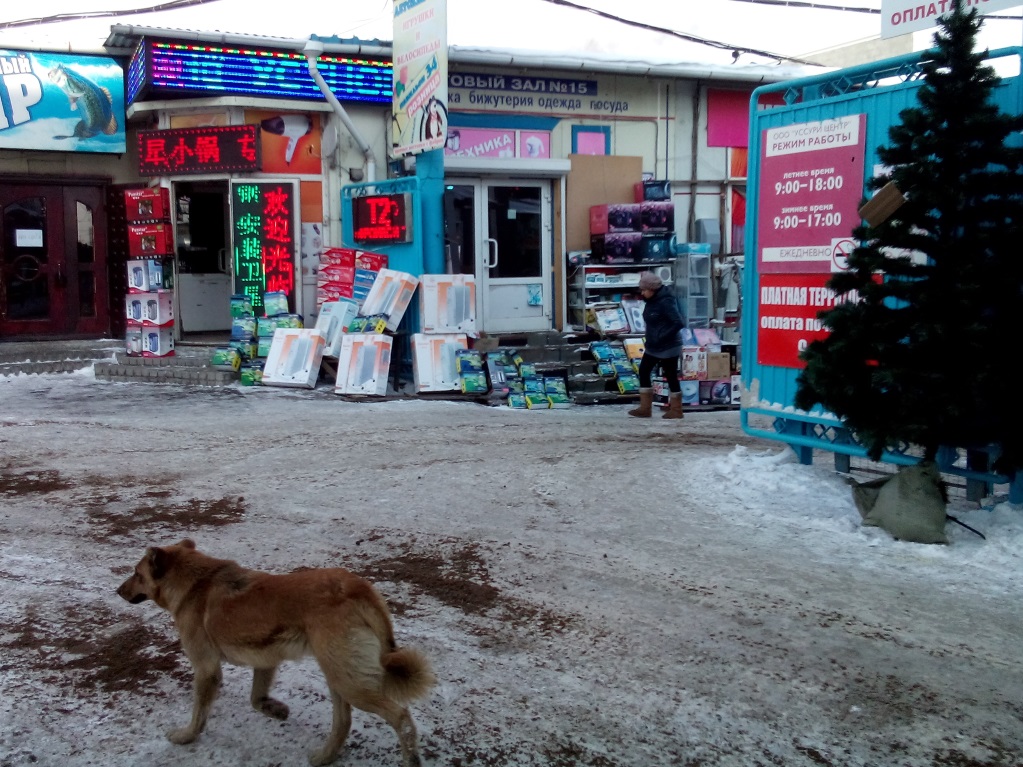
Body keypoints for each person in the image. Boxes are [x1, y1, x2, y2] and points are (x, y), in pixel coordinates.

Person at [629, 271, 685, 419]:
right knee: (644, 370)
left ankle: (676, 410)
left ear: (652, 289)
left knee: (670, 374)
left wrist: (662, 336)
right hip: (654, 345)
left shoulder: (665, 301)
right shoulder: (651, 301)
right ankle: (645, 408)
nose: (642, 293)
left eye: (644, 290)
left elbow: (678, 322)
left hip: (668, 345)